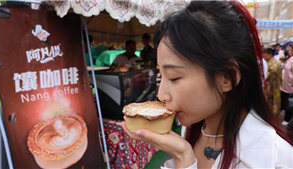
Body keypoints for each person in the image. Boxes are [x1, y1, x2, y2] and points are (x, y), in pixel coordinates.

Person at [121, 1, 293, 169]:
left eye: (173, 77)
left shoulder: (276, 160)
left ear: (227, 77)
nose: (161, 95)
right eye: (161, 76)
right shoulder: (189, 129)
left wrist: (184, 160)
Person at [262, 47, 282, 121]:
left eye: (264, 53)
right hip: (276, 86)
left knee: (271, 105)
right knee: (275, 105)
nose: (263, 55)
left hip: (271, 87)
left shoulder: (271, 64)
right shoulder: (277, 62)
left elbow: (266, 78)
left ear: (269, 54)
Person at [282, 43, 293, 126]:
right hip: (285, 84)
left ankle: (287, 118)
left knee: (288, 102)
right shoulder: (290, 59)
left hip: (290, 85)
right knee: (285, 101)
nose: (289, 51)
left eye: (290, 49)